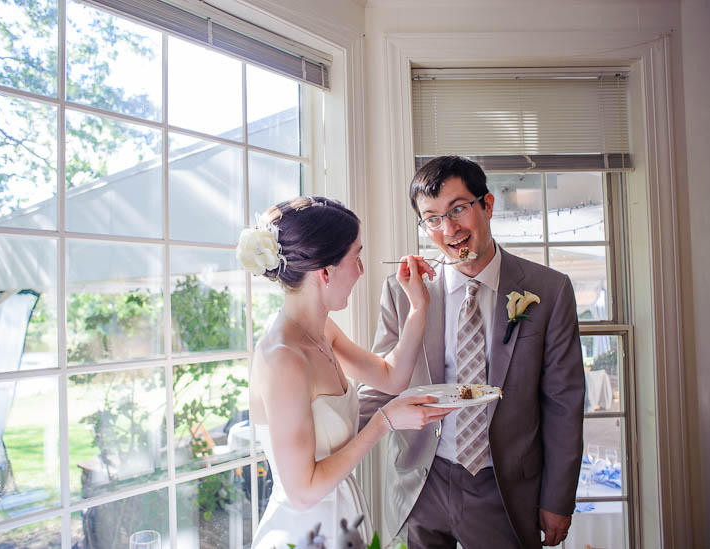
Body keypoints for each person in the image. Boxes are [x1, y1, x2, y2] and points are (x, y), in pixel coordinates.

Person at [359, 156, 585, 548]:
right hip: (421, 482)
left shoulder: (549, 290)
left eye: (458, 209)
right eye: (432, 218)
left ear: (488, 205)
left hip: (504, 488)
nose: (449, 230)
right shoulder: (401, 293)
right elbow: (380, 384)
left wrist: (557, 498)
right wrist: (326, 442)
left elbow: (564, 403)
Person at [240, 196, 455, 549]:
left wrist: (418, 308)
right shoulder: (283, 359)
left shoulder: (322, 330)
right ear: (325, 272)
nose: (361, 270)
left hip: (345, 520)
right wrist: (383, 422)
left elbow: (391, 376)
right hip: (305, 533)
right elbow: (304, 491)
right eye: (356, 257)